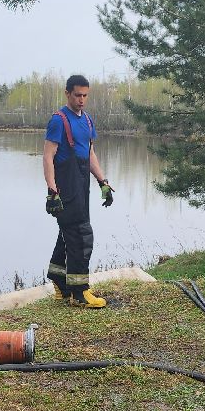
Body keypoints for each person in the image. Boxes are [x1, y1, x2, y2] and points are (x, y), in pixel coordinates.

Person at [43, 75, 115, 307]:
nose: (82, 99)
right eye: (77, 95)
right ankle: (79, 292)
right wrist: (52, 189)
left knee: (69, 234)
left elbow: (89, 154)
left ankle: (59, 280)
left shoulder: (88, 121)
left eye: (85, 95)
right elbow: (48, 156)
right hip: (65, 185)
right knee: (81, 236)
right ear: (67, 94)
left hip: (82, 182)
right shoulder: (58, 120)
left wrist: (102, 181)